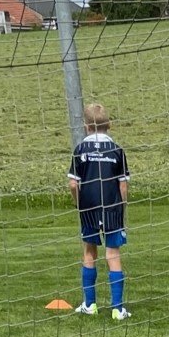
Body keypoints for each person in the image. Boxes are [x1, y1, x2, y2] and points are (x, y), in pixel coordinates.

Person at [67, 103, 130, 320]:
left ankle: (90, 304)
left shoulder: (80, 150)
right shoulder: (117, 150)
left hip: (89, 208)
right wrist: (122, 207)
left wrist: (79, 203)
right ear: (109, 125)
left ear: (86, 126)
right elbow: (123, 185)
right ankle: (118, 309)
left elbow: (73, 184)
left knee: (89, 252)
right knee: (113, 254)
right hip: (112, 208)